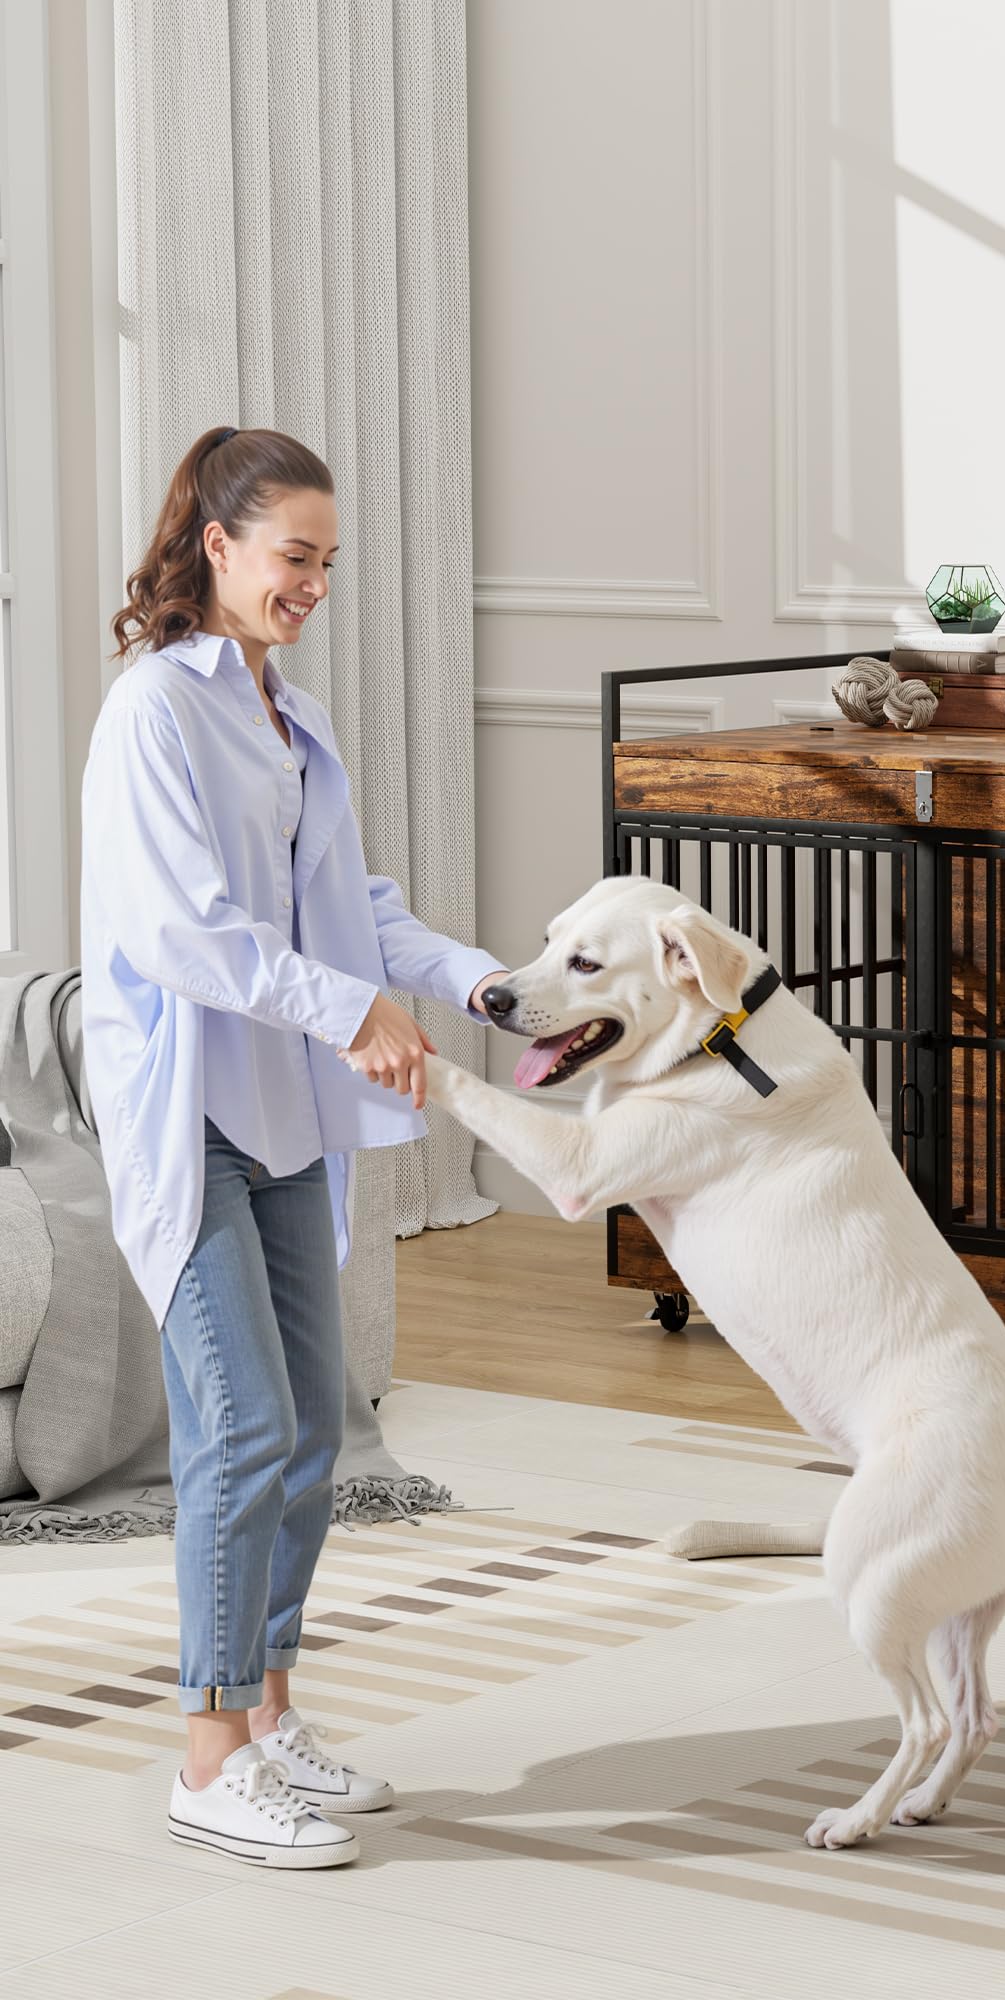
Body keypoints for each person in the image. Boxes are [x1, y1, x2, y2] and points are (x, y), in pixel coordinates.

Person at [80, 425, 506, 1869]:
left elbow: (353, 910)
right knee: (242, 1429)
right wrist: (353, 1018)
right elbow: (186, 934)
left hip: (284, 1119)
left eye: (328, 562)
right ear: (218, 543)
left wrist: (477, 979)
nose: (315, 583)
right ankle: (208, 1759)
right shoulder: (157, 711)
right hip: (192, 1111)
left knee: (315, 1431)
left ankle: (267, 1721)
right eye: (294, 557)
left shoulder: (286, 713)